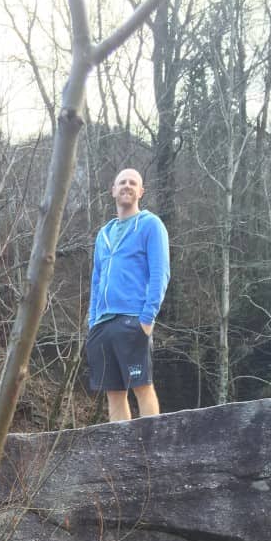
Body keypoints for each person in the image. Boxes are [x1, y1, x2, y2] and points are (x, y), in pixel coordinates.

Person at [86, 168, 170, 421]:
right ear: (113, 190)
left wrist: (147, 319)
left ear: (141, 192)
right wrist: (92, 322)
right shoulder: (104, 234)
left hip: (132, 318)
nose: (127, 186)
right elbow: (96, 280)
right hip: (102, 324)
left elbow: (160, 273)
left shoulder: (150, 225)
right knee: (113, 393)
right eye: (122, 182)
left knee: (142, 386)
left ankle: (152, 452)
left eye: (133, 183)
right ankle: (120, 456)